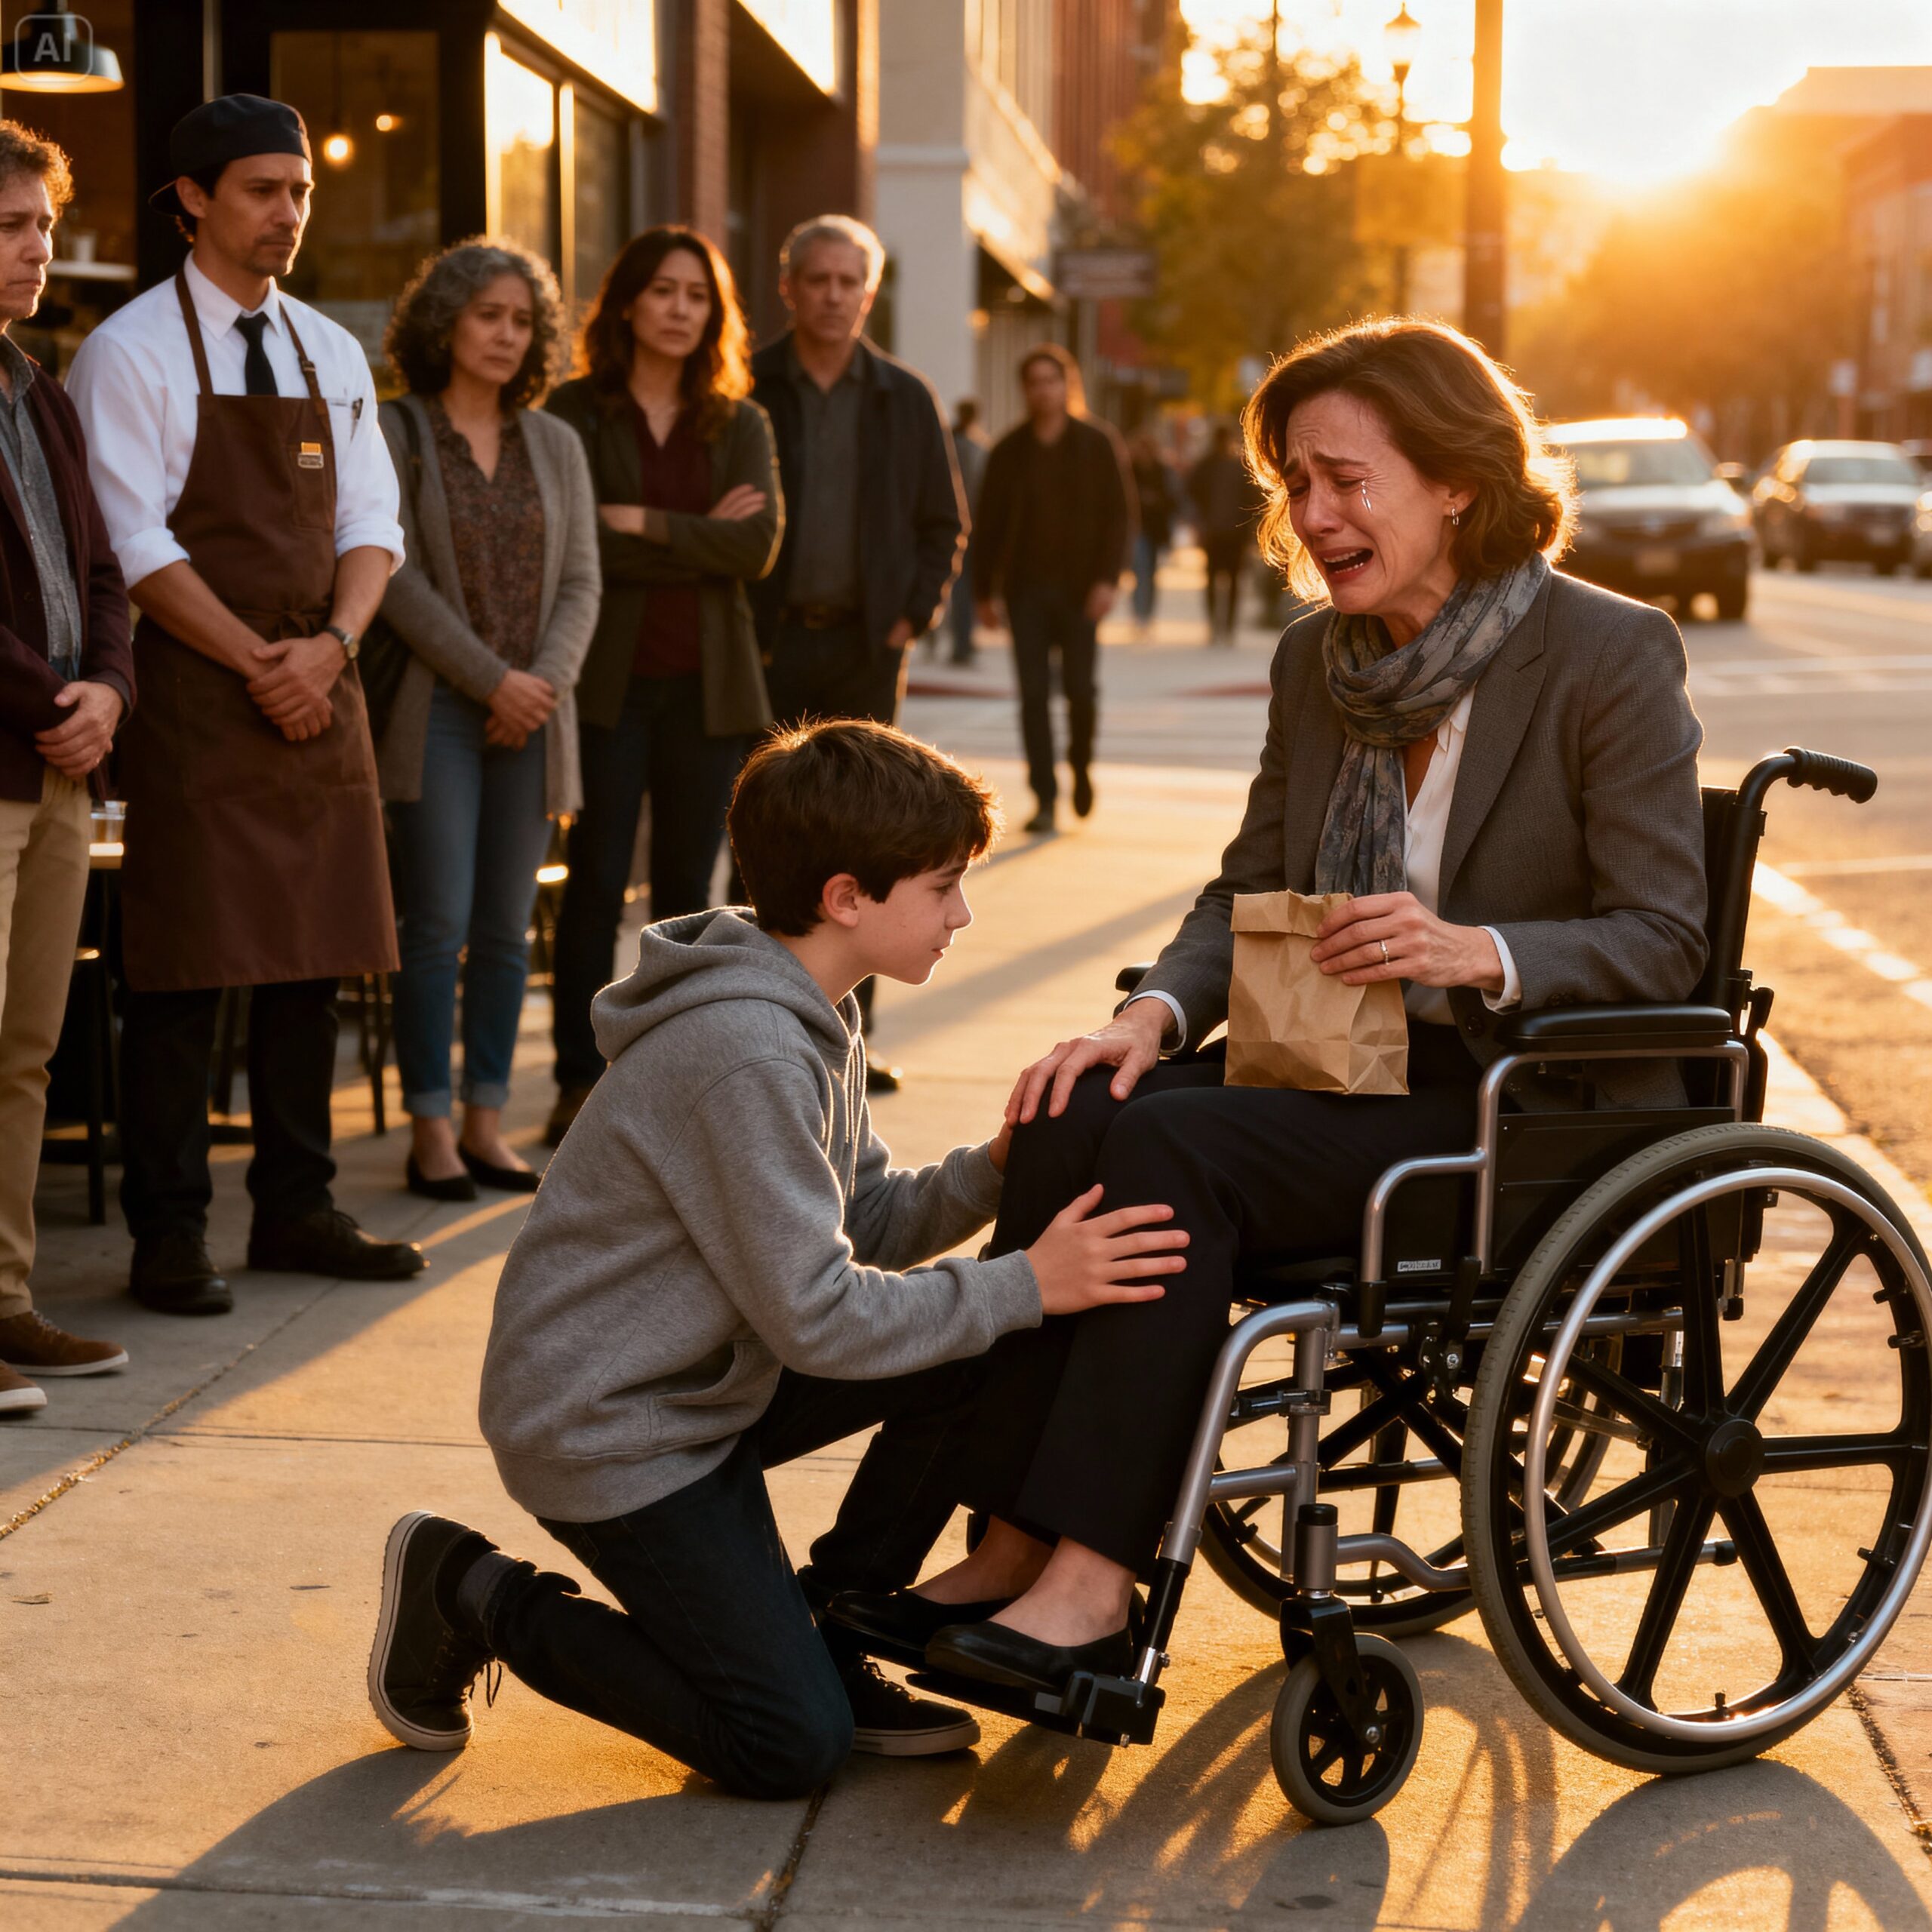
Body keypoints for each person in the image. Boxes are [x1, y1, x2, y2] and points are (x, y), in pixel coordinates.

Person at [825, 318, 1709, 1700]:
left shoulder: (1604, 653)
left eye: (1348, 480)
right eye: (1297, 483)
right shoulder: (1322, 664)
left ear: (1456, 480)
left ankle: (1095, 1585)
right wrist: (1150, 1024)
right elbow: (1245, 890)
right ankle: (1008, 1540)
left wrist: (1473, 946)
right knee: (1081, 1108)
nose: (1314, 516)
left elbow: (1665, 938)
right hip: (1333, 1062)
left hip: (1513, 1112)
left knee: (1180, 1156)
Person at [366, 719, 1186, 1798]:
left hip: (710, 1377)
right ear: (848, 897)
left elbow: (866, 1231)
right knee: (786, 1745)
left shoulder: (811, 1012)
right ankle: (467, 1588)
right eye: (942, 888)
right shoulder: (744, 1052)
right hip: (612, 1428)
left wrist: (992, 1169)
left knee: (986, 1345)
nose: (963, 913)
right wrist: (1029, 1280)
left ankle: (837, 1624)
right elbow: (825, 1317)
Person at [66, 95, 420, 1316]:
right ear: (194, 200)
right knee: (178, 976)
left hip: (320, 688)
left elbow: (373, 524)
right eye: (264, 190)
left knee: (309, 966)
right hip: (194, 700)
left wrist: (329, 647)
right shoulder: (128, 352)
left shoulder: (328, 347)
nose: (288, 214)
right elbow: (132, 542)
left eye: (301, 192)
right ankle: (169, 1231)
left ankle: (296, 1205)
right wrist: (258, 663)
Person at [542, 226, 780, 1149]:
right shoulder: (573, 411)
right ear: (629, 304)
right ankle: (575, 1078)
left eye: (698, 297)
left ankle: (672, 1084)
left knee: (690, 897)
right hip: (606, 686)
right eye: (665, 292)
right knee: (596, 883)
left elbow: (754, 550)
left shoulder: (739, 422)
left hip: (709, 691)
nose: (681, 310)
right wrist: (693, 538)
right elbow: (574, 547)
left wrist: (638, 518)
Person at [374, 241, 600, 1201]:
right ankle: (429, 1128)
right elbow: (390, 573)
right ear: (445, 323)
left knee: (508, 932)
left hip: (536, 719)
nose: (507, 335)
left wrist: (537, 686)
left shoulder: (556, 444)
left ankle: (485, 1122)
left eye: (522, 320)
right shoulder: (398, 431)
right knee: (436, 925)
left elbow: (584, 581)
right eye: (488, 316)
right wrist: (490, 681)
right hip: (441, 713)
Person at [749, 214, 966, 1094]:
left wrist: (908, 616)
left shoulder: (902, 396)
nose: (834, 296)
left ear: (868, 294)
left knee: (871, 843)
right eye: (819, 280)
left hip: (864, 647)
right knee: (769, 839)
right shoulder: (748, 385)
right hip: (764, 645)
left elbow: (941, 522)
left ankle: (847, 1042)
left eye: (851, 282)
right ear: (789, 286)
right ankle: (762, 1028)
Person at [0, 123, 134, 1412]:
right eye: (8, 227)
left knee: (27, 1048)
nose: (37, 248)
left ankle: (7, 1304)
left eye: (41, 224)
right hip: (10, 748)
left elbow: (101, 575)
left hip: (56, 765)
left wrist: (107, 690)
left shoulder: (37, 388)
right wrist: (58, 700)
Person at [973, 344, 1134, 833]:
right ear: (1025, 390)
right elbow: (988, 526)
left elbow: (1120, 518)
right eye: (1034, 382)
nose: (1044, 390)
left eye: (1052, 380)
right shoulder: (1009, 451)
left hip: (1081, 592)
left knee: (1081, 691)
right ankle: (1044, 795)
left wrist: (1108, 580)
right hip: (1026, 593)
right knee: (1033, 696)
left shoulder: (1097, 443)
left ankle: (1080, 767)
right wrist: (983, 592)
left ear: (1068, 385)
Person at [1189, 420, 1254, 645]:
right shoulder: (1208, 466)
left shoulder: (1240, 467)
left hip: (1233, 533)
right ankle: (1216, 625)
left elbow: (1252, 501)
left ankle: (1227, 626)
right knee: (1214, 580)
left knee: (1233, 580)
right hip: (1215, 532)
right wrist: (1198, 523)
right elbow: (1192, 494)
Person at [943, 398, 989, 665]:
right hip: (968, 527)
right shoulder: (974, 448)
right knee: (964, 587)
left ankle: (959, 640)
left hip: (955, 524)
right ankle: (962, 642)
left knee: (958, 586)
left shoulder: (948, 443)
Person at [1128, 429, 1177, 626]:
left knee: (1151, 573)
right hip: (1136, 529)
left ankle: (1147, 612)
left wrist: (1155, 501)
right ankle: (1140, 612)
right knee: (1140, 570)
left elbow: (1172, 500)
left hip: (1155, 530)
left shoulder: (1162, 471)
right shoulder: (1130, 470)